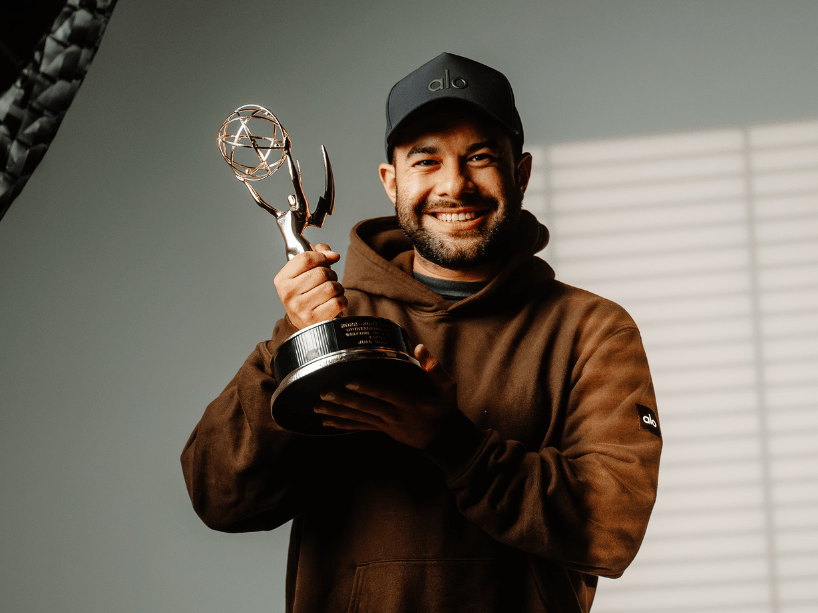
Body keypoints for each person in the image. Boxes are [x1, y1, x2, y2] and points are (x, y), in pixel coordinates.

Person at [182, 52, 662, 613]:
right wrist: (291, 343)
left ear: (521, 173)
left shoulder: (592, 331)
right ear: (391, 181)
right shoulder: (333, 322)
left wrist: (451, 442)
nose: (454, 185)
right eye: (426, 161)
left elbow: (610, 530)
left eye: (480, 156)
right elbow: (220, 498)